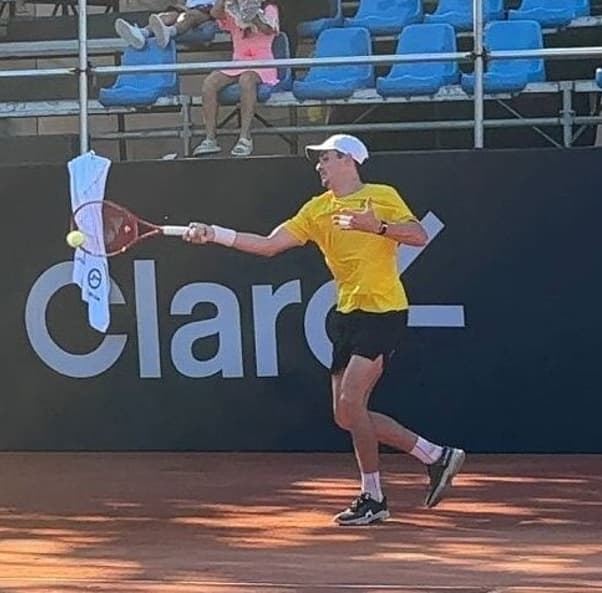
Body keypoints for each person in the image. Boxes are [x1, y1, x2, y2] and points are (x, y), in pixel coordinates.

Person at [180, 134, 466, 526]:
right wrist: (215, 233)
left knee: (351, 406)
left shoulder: (382, 195)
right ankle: (435, 455)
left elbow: (418, 235)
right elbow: (268, 245)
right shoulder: (316, 210)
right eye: (319, 160)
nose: (319, 166)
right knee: (347, 415)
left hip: (383, 311)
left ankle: (374, 497)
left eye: (326, 158)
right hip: (346, 314)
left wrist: (376, 226)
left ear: (349, 161)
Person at [192, 0, 278, 158]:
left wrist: (253, 16)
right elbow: (215, 13)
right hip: (238, 62)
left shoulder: (269, 8)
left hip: (262, 62)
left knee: (246, 80)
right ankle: (210, 139)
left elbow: (268, 29)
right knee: (209, 83)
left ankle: (245, 138)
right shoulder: (233, 9)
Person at [114, 0, 213, 50]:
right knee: (166, 16)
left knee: (190, 16)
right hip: (188, 8)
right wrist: (180, 6)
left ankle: (169, 32)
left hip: (208, 11)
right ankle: (142, 33)